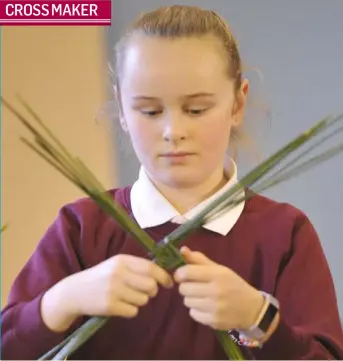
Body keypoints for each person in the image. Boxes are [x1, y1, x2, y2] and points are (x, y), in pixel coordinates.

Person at [2, 5, 343, 360]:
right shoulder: (82, 228)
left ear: (238, 103)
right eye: (149, 111)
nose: (173, 132)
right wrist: (65, 299)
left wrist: (256, 318)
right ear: (121, 108)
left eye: (196, 110)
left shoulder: (284, 234)